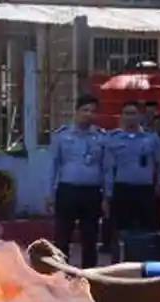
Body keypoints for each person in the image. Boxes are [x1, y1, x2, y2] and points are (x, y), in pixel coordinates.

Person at [48, 94, 112, 268]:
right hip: (67, 190)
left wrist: (107, 196)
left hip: (91, 192)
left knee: (90, 237)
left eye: (92, 111)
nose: (88, 114)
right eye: (85, 110)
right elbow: (53, 166)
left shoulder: (101, 137)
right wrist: (50, 195)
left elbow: (106, 169)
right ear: (76, 112)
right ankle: (61, 274)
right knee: (63, 236)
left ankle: (89, 275)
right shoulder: (62, 136)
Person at [104, 101, 160, 260]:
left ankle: (146, 265)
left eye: (133, 113)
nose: (130, 117)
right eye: (127, 113)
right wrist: (108, 195)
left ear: (140, 116)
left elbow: (159, 165)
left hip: (145, 190)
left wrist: (158, 186)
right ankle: (117, 266)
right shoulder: (113, 139)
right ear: (121, 117)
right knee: (119, 231)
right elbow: (109, 169)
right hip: (122, 190)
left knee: (147, 231)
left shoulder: (151, 139)